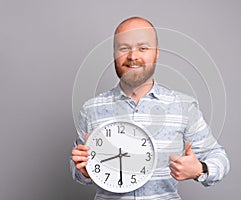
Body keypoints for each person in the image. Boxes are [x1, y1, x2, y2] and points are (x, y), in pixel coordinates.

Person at [70, 16, 230, 200]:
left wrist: (199, 169)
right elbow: (77, 168)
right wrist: (84, 171)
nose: (133, 56)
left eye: (143, 48)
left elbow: (219, 157)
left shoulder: (183, 107)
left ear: (156, 53)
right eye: (124, 48)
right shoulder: (91, 110)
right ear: (114, 53)